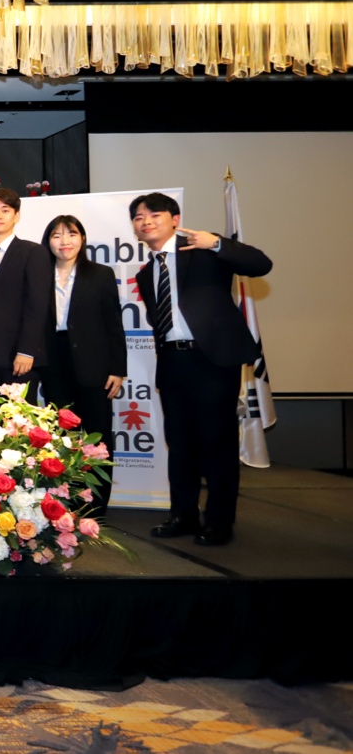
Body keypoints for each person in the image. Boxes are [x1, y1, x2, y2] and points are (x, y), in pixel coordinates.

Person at [131, 192, 271, 547]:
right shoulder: (146, 273)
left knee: (217, 444)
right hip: (173, 364)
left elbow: (260, 264)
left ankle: (220, 522)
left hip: (212, 361)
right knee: (179, 445)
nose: (146, 221)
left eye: (154, 214)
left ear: (175, 219)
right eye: (138, 217)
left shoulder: (204, 251)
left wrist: (219, 244)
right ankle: (183, 515)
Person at [40, 214, 126, 516]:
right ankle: (67, 505)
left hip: (95, 365)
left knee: (98, 437)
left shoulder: (99, 274)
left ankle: (96, 508)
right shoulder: (39, 275)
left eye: (71, 234)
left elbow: (114, 325)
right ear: (47, 242)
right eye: (57, 236)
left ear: (82, 238)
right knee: (64, 439)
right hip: (54, 363)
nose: (65, 242)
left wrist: (118, 368)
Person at [0, 187, 51, 400]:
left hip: (18, 358)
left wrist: (27, 351)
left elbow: (37, 306)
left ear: (16, 215)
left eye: (5, 210)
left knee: (20, 427)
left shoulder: (33, 253)